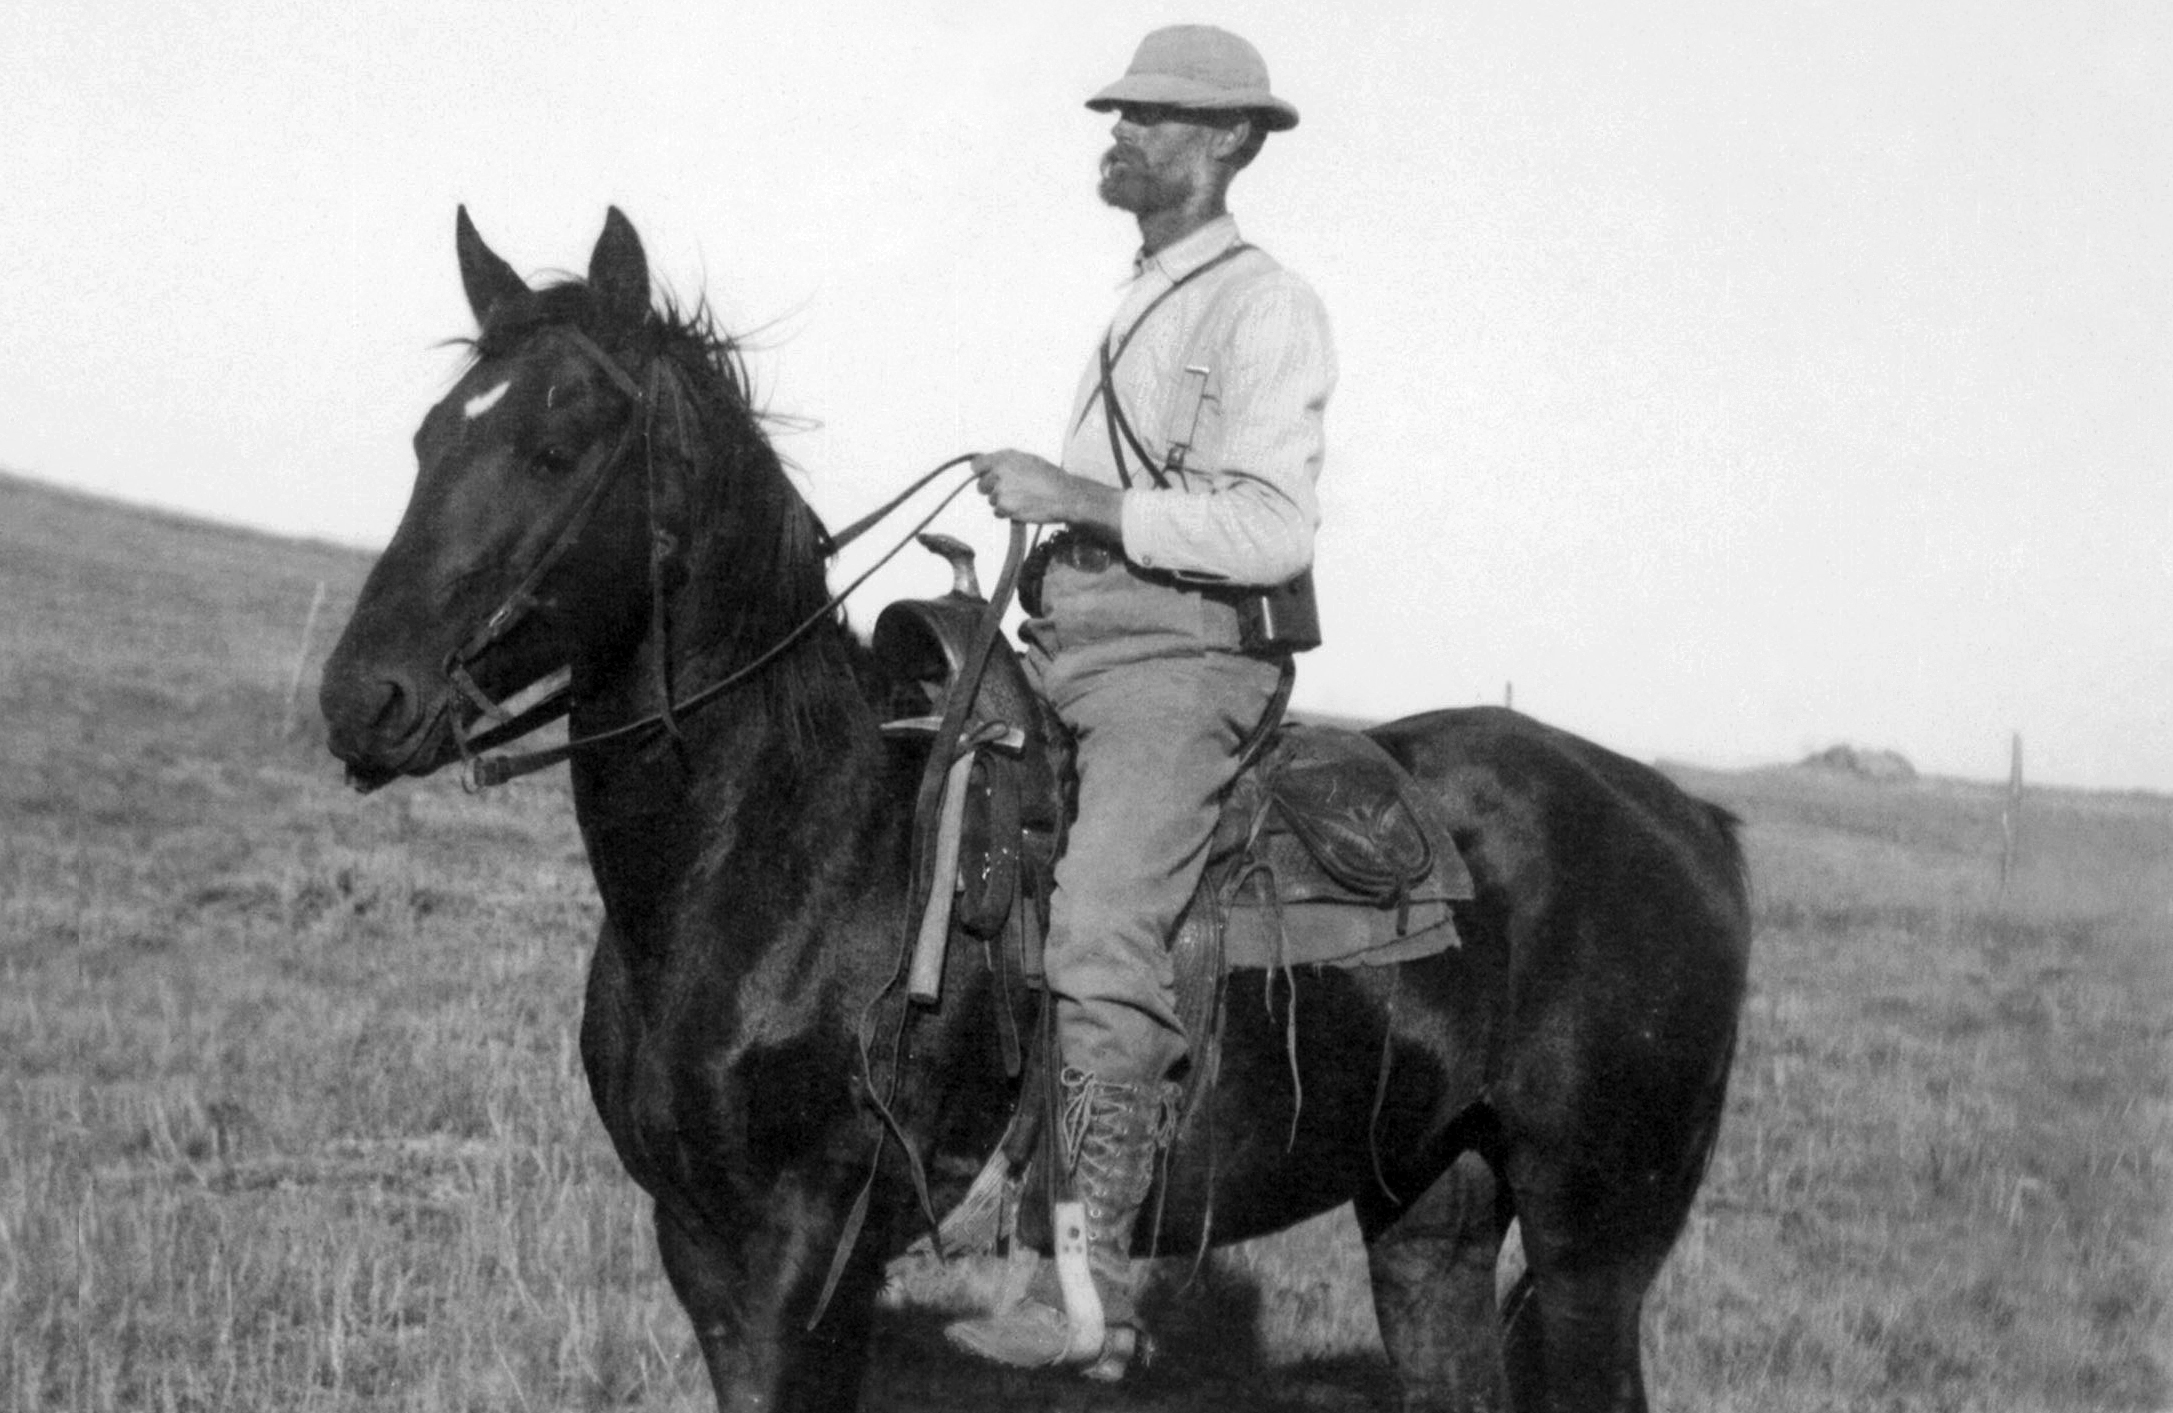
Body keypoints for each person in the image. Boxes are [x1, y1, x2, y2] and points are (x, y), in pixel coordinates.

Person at [946, 24, 1336, 1379]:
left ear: (1231, 141)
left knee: (1105, 913)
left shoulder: (1261, 303)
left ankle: (1083, 1275)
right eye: (1118, 112)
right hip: (1083, 630)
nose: (1121, 132)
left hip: (1183, 658)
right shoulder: (1146, 290)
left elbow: (1274, 528)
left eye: (1157, 117)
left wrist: (1079, 502)